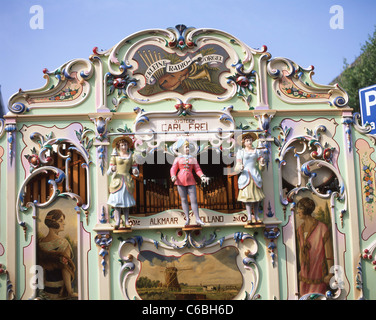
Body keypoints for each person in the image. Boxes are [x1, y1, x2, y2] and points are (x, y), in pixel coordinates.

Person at [296, 197, 334, 296]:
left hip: (318, 274)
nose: (298, 211)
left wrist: (330, 273)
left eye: (300, 208)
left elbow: (329, 253)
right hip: (304, 276)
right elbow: (301, 251)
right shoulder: (300, 229)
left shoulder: (322, 228)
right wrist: (301, 269)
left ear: (306, 209)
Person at [38, 209, 77, 299]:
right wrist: (70, 292)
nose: (64, 223)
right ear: (53, 223)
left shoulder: (40, 242)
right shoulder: (63, 243)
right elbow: (65, 270)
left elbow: (42, 269)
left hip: (46, 289)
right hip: (60, 291)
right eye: (61, 221)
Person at [170, 139, 209, 226]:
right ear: (181, 149)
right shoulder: (178, 158)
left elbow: (197, 169)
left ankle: (197, 218)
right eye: (186, 147)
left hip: (191, 180)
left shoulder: (193, 159)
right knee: (184, 200)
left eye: (188, 147)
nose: (187, 149)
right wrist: (173, 176)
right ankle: (187, 218)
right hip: (180, 180)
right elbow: (173, 168)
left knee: (194, 200)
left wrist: (202, 176)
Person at [107, 136, 139, 229]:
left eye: (125, 145)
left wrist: (135, 172)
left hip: (127, 180)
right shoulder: (115, 156)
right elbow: (108, 172)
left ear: (128, 146)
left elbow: (134, 169)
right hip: (117, 180)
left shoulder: (131, 156)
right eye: (122, 145)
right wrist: (112, 169)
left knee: (126, 203)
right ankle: (117, 220)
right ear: (118, 146)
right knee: (117, 202)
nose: (124, 147)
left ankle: (126, 221)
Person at [235, 132, 266, 224]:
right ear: (244, 142)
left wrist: (262, 162)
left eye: (251, 140)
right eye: (247, 140)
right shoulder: (241, 152)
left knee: (256, 198)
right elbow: (237, 166)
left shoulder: (257, 151)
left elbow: (261, 168)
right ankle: (249, 216)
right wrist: (240, 168)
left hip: (254, 175)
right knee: (248, 198)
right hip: (246, 175)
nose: (249, 142)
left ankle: (256, 216)